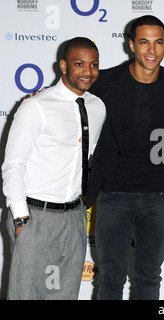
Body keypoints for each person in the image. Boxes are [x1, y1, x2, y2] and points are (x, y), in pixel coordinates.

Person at [85, 15, 164, 300]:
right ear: (131, 45)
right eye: (144, 42)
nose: (151, 50)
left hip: (159, 196)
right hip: (114, 194)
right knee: (110, 278)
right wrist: (37, 98)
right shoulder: (106, 82)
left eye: (158, 42)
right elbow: (71, 102)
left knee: (148, 278)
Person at [2, 37, 106, 299]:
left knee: (64, 294)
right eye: (79, 64)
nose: (88, 71)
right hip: (36, 216)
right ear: (63, 66)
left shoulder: (97, 107)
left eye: (94, 65)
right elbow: (14, 164)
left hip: (74, 217)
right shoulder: (36, 106)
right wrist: (20, 217)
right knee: (26, 295)